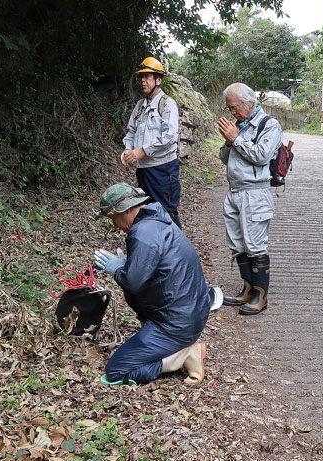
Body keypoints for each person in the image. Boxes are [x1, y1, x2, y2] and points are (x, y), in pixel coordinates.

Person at [93, 183, 210, 385]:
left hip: (175, 323)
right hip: (191, 313)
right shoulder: (157, 220)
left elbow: (134, 283)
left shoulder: (142, 233)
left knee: (116, 371)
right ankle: (171, 343)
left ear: (127, 209)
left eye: (113, 218)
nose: (115, 225)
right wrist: (125, 267)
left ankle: (184, 355)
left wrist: (117, 269)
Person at [217, 83, 282, 316]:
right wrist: (228, 141)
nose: (231, 112)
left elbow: (262, 156)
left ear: (249, 103)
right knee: (237, 244)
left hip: (255, 193)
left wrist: (236, 139)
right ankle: (247, 289)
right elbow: (225, 159)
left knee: (255, 245)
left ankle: (260, 296)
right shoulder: (239, 126)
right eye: (229, 108)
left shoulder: (269, 125)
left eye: (234, 107)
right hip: (234, 191)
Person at [121, 57, 182, 228]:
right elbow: (131, 131)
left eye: (147, 77)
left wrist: (142, 151)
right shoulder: (140, 105)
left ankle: (177, 252)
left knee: (167, 213)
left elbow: (169, 136)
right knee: (147, 213)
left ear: (158, 80)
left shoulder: (167, 104)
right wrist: (128, 149)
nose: (142, 81)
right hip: (143, 171)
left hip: (163, 170)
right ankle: (156, 252)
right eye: (141, 77)